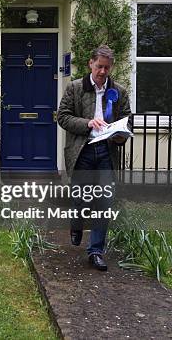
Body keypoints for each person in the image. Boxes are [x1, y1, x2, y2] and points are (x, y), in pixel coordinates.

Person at [57, 44, 131, 271]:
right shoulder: (75, 88)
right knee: (81, 198)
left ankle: (96, 251)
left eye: (106, 68)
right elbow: (63, 117)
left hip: (107, 152)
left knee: (105, 201)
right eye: (99, 66)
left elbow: (127, 119)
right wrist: (88, 123)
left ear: (111, 67)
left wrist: (120, 136)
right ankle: (76, 224)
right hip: (83, 150)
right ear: (91, 63)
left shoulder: (119, 91)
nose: (102, 72)